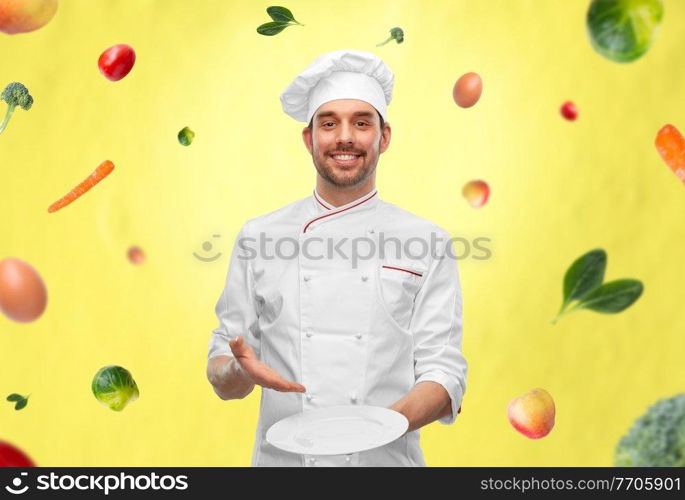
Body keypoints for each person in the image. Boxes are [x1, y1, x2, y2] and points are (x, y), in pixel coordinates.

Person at [206, 49, 467, 467]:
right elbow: (224, 374)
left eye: (362, 122)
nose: (345, 137)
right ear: (310, 139)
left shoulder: (427, 241)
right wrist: (240, 372)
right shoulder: (259, 236)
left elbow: (444, 375)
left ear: (383, 137)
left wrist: (375, 428)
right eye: (329, 123)